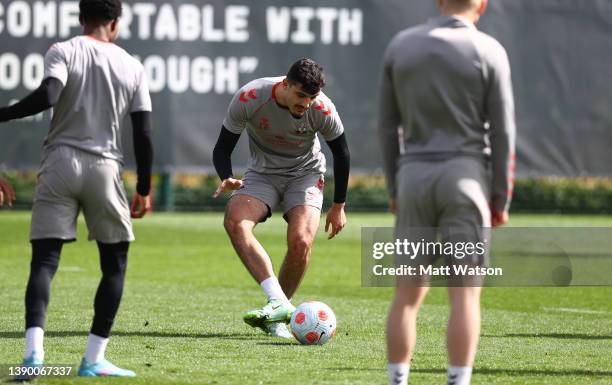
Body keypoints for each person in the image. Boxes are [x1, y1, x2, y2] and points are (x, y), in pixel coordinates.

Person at [0, 0, 153, 378]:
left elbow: (48, 96)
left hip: (59, 163)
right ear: (115, 23)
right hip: (104, 167)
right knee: (114, 264)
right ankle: (93, 359)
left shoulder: (63, 50)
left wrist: (2, 113)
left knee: (45, 262)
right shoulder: (132, 65)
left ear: (82, 18)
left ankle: (34, 357)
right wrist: (145, 187)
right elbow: (144, 132)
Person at [377, 0, 516, 384]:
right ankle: (457, 380)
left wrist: (395, 186)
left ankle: (397, 380)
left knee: (406, 295)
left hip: (414, 178)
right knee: (465, 295)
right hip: (467, 180)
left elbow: (388, 128)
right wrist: (500, 198)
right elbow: (504, 132)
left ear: (439, 1)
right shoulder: (489, 50)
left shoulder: (400, 46)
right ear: (482, 5)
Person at [212, 58, 350, 338]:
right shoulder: (250, 97)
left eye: (311, 97)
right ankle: (279, 301)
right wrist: (226, 176)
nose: (306, 103)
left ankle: (276, 316)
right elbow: (222, 148)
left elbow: (342, 153)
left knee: (301, 242)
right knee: (235, 221)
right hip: (262, 174)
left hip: (306, 174)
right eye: (301, 95)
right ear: (285, 85)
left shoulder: (322, 107)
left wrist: (339, 206)